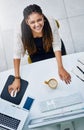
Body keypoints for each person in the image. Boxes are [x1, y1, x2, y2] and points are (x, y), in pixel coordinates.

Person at [8, 4, 71, 94]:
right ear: (27, 22)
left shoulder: (50, 20)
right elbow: (16, 54)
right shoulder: (19, 29)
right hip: (35, 50)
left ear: (43, 17)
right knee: (42, 75)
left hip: (52, 46)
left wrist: (61, 67)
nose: (37, 25)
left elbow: (56, 44)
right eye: (32, 22)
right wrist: (17, 78)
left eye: (39, 20)